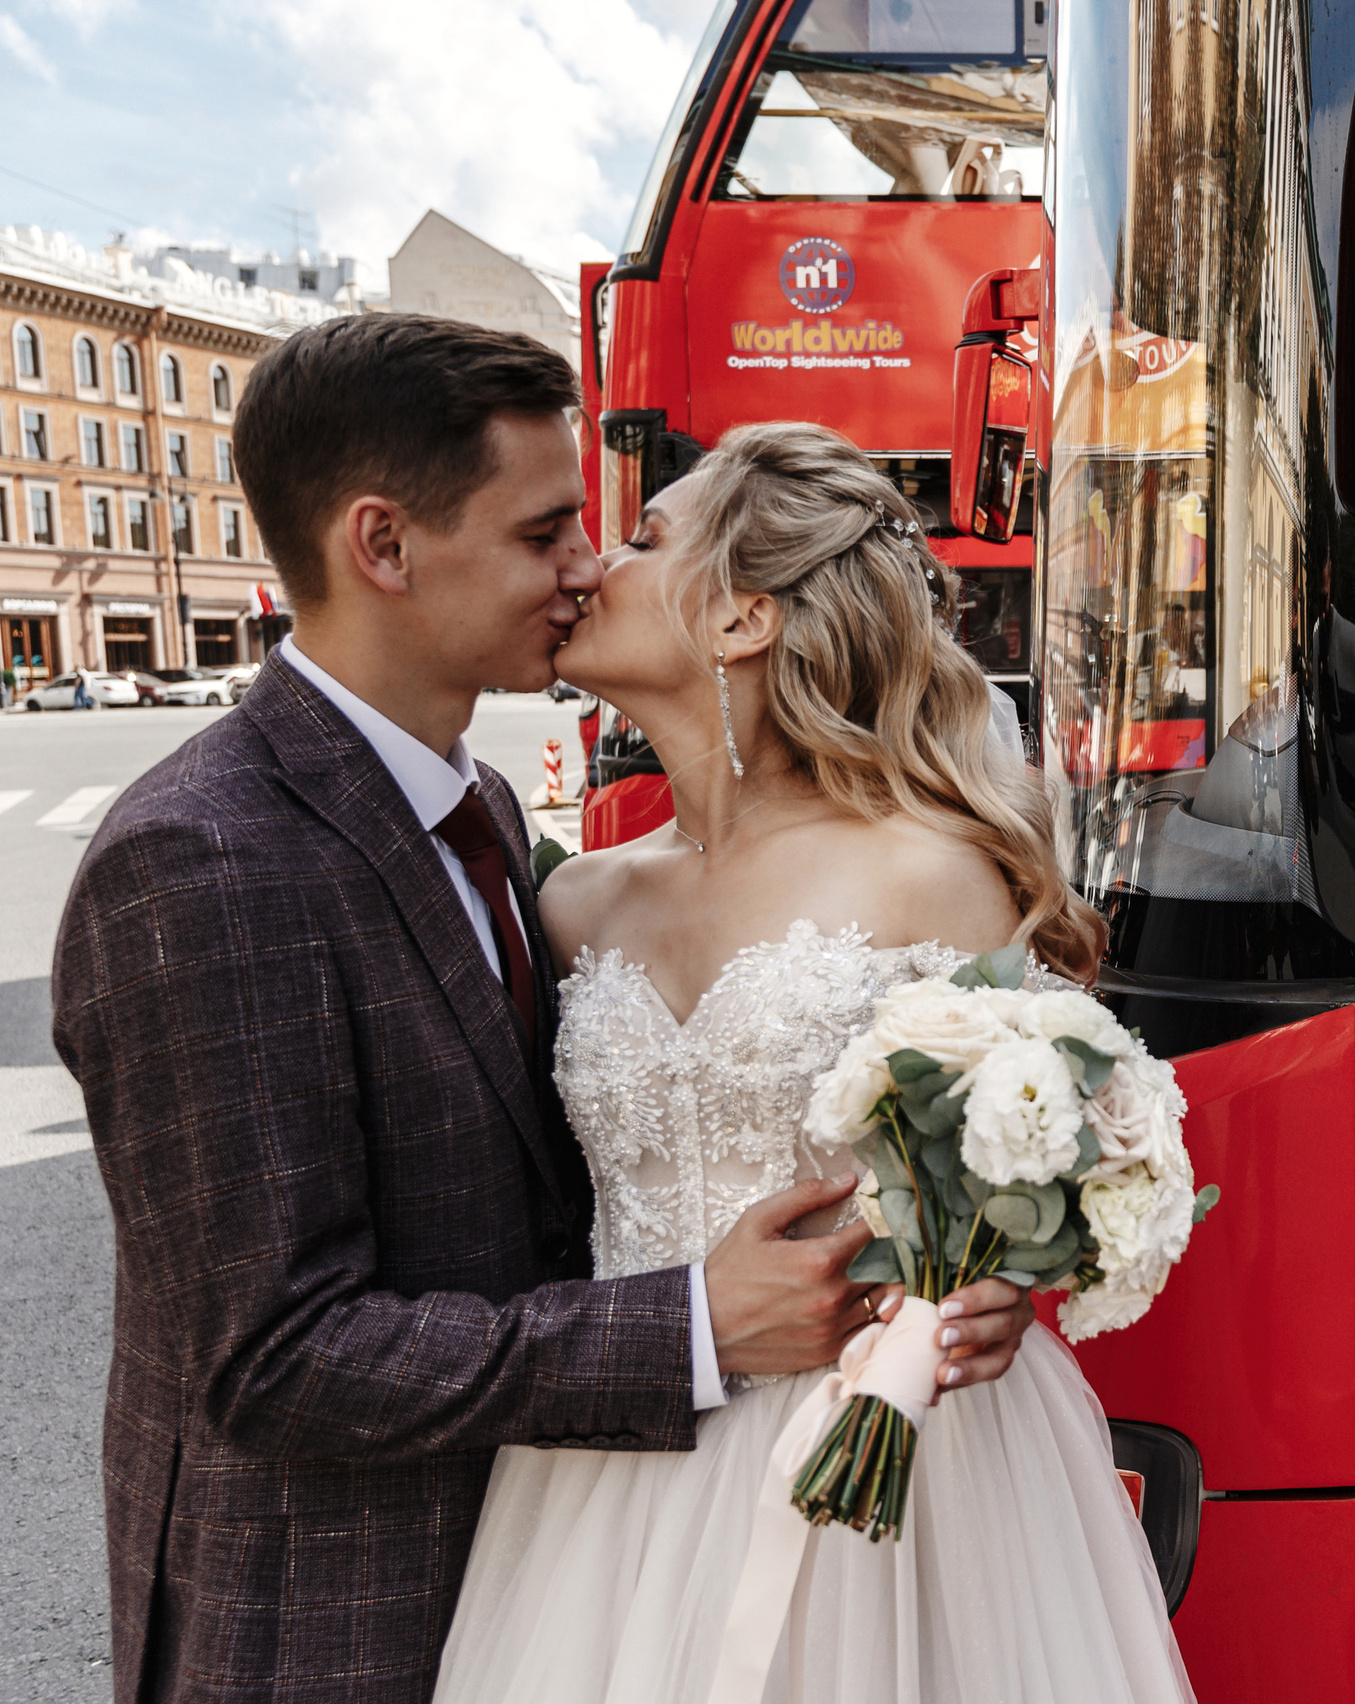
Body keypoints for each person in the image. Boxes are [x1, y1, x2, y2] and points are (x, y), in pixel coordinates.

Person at [50, 316, 1037, 1704]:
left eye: (605, 533)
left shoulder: (494, 822)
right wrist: (694, 1330)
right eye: (545, 532)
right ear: (384, 546)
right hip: (354, 1612)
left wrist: (971, 1277)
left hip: (645, 1520)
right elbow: (268, 1354)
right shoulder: (202, 856)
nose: (583, 567)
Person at [431, 423, 1194, 1704]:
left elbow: (1027, 1126)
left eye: (643, 538)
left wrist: (995, 1280)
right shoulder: (574, 902)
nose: (593, 565)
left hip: (895, 1461)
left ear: (742, 618)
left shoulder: (928, 872)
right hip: (614, 1467)